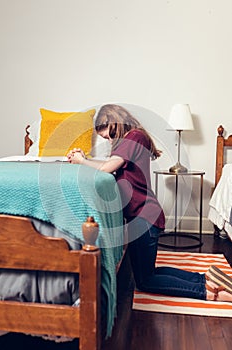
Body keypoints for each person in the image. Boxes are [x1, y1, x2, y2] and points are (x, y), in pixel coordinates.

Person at [67, 104, 232, 302]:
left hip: (144, 217)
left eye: (108, 135)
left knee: (145, 281)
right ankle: (204, 279)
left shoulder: (134, 137)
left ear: (113, 122)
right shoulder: (132, 139)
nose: (109, 140)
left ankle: (208, 293)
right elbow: (107, 168)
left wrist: (81, 161)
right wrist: (84, 159)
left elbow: (107, 168)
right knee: (149, 273)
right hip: (143, 217)